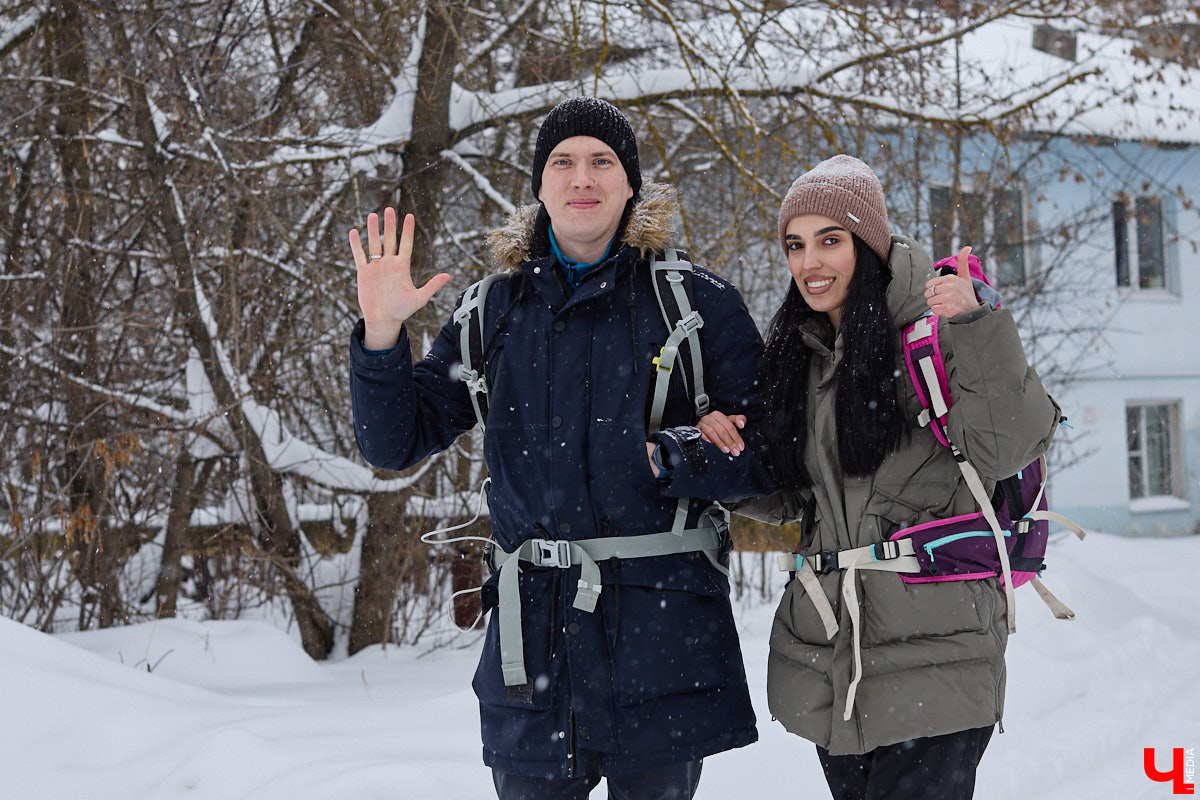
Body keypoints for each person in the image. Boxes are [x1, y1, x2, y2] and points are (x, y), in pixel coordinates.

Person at [347, 97, 770, 799]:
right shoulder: (493, 311)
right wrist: (383, 335)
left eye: (602, 162)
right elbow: (395, 441)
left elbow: (766, 453)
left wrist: (679, 456)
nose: (583, 178)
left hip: (660, 640)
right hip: (532, 645)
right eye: (563, 162)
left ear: (630, 183)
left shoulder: (696, 305)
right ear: (539, 186)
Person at [700, 155, 1060, 800]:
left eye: (830, 240)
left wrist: (977, 324)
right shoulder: (801, 356)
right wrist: (720, 459)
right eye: (795, 244)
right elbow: (795, 499)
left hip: (936, 656)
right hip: (836, 656)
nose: (811, 262)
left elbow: (1006, 446)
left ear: (868, 244)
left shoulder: (936, 329)